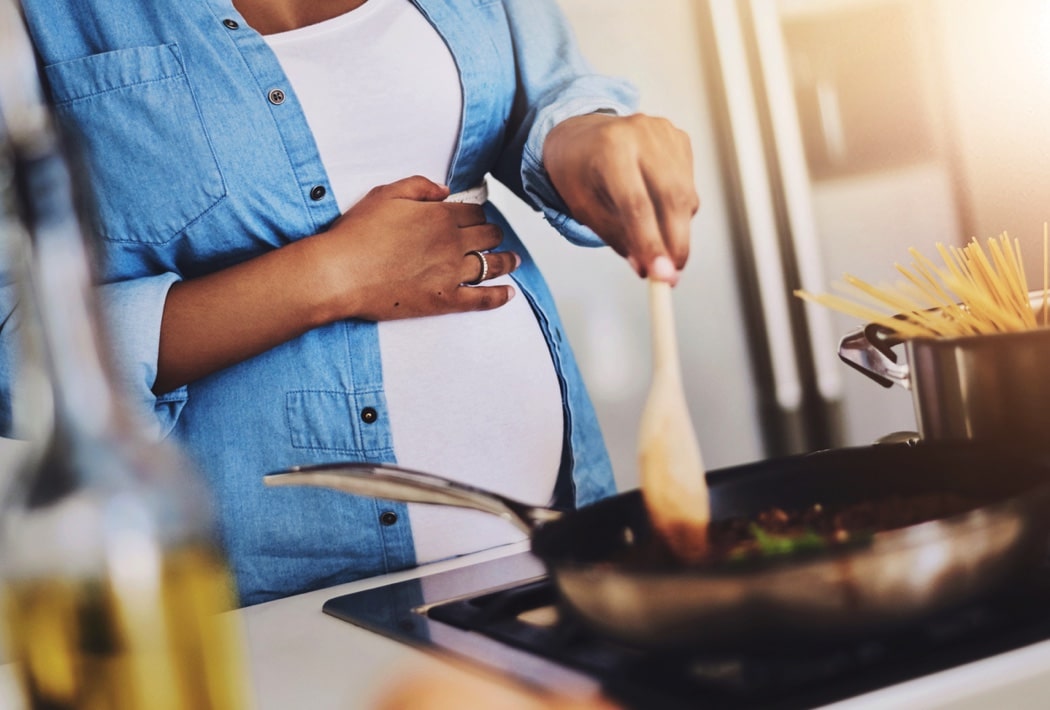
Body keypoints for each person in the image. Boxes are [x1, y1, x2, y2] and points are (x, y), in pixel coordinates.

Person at [14, 0, 699, 605]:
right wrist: (328, 277)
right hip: (275, 594)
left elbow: (547, 90)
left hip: (552, 534)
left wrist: (586, 137)